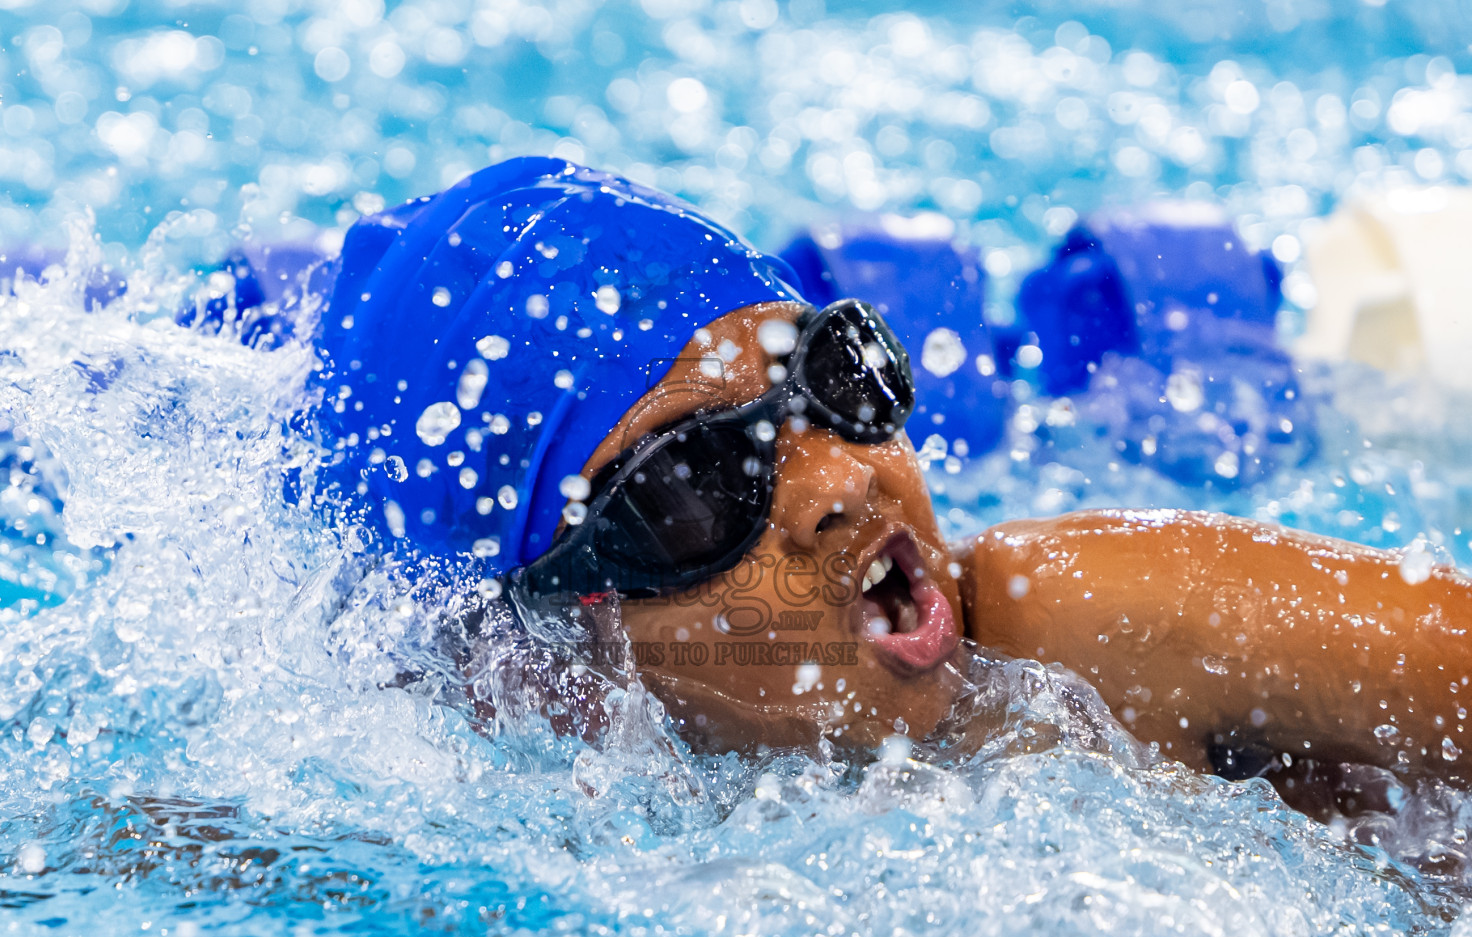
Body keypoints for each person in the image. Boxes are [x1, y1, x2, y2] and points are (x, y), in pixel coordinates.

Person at [305, 157, 1472, 797]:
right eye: (700, 480)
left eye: (832, 376)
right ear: (539, 663)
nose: (838, 484)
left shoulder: (1091, 636)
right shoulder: (510, 824)